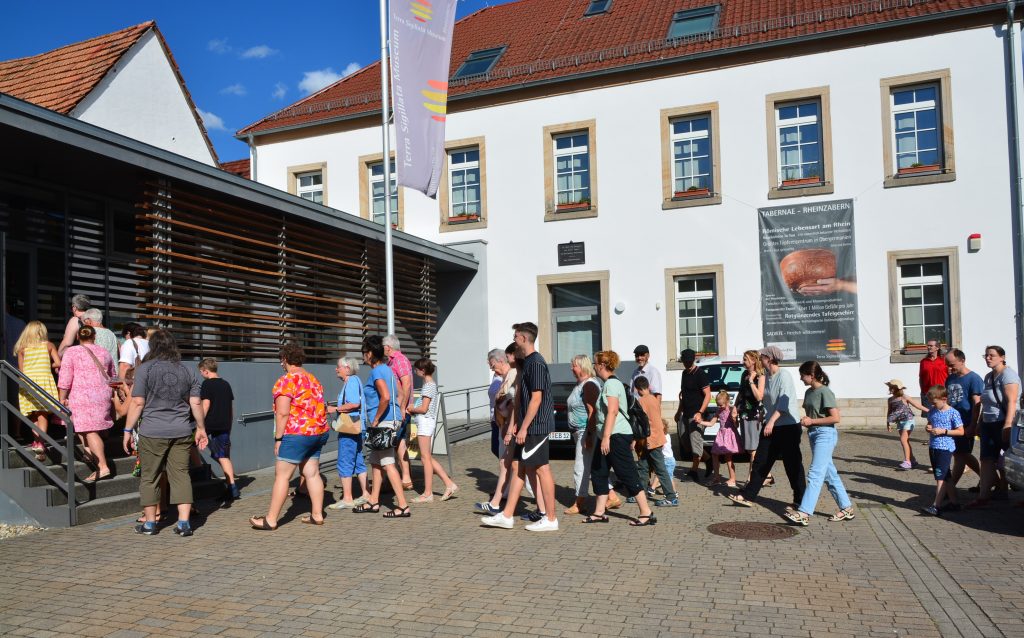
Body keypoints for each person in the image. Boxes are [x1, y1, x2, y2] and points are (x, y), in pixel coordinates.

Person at [123, 329, 208, 536]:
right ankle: (184, 523)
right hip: (181, 431)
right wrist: (201, 428)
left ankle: (150, 524)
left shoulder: (145, 370)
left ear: (153, 346)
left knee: (150, 477)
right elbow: (195, 402)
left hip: (152, 431)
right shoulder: (187, 371)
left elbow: (137, 402)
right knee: (180, 475)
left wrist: (127, 430)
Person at [481, 322, 559, 531]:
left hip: (537, 426)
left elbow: (536, 399)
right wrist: (515, 425)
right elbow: (520, 401)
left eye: (516, 336)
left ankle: (550, 518)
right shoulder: (526, 363)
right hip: (525, 426)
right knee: (518, 465)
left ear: (523, 338)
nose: (513, 340)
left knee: (542, 469)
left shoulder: (536, 363)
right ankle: (506, 516)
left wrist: (523, 427)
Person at [249, 344, 329, 530]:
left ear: (285, 359)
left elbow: (283, 413)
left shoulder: (286, 381)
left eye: (281, 361)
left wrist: (278, 439)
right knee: (312, 473)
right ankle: (317, 514)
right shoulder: (313, 379)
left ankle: (270, 519)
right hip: (318, 432)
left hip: (297, 434)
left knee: (282, 476)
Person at [577, 350, 656, 526]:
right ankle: (599, 512)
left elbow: (612, 411)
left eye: (595, 364)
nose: (594, 367)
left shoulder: (612, 384)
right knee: (599, 472)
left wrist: (606, 438)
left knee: (626, 472)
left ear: (603, 365)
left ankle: (646, 512)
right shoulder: (607, 384)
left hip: (616, 435)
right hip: (606, 435)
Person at [728, 346, 805, 509]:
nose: (760, 359)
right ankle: (748, 496)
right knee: (760, 461)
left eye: (762, 357)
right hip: (771, 424)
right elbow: (767, 400)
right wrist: (765, 415)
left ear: (769, 359)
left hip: (788, 427)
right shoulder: (768, 376)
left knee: (792, 465)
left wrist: (770, 422)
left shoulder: (784, 376)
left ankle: (800, 501)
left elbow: (783, 404)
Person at [785, 361, 854, 525]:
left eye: (803, 375)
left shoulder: (825, 392)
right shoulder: (809, 392)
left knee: (815, 474)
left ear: (812, 375)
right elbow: (811, 414)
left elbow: (835, 418)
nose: (801, 378)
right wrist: (807, 421)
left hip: (825, 434)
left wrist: (812, 421)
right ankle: (847, 508)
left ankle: (804, 512)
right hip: (814, 434)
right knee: (830, 474)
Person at [354, 335, 410, 518]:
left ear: (370, 353)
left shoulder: (377, 371)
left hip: (383, 422)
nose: (363, 356)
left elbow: (385, 396)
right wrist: (398, 412)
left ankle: (402, 506)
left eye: (364, 352)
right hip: (390, 419)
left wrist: (377, 419)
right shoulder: (388, 370)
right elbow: (400, 393)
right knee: (376, 462)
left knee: (387, 463)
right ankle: (373, 501)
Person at [57, 326, 115, 483]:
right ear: (94, 336)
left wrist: (62, 398)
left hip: (81, 394)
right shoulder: (104, 352)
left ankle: (103, 466)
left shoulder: (72, 352)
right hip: (102, 394)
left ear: (77, 336)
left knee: (90, 430)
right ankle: (89, 453)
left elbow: (65, 377)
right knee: (83, 425)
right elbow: (113, 375)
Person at [969, 345, 1020, 508]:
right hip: (988, 423)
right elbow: (987, 402)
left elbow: (1012, 402)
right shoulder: (989, 376)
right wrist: (979, 422)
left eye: (992, 355)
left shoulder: (1008, 375)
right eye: (986, 355)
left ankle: (1006, 491)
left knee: (1010, 459)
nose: (988, 358)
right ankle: (983, 496)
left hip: (1003, 422)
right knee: (986, 459)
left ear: (1002, 357)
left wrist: (1007, 425)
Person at [408, 358, 458, 502]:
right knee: (427, 457)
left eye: (416, 370)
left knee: (425, 458)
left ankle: (428, 492)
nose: (415, 372)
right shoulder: (429, 385)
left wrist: (412, 409)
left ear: (422, 371)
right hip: (425, 422)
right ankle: (448, 484)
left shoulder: (428, 386)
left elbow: (424, 408)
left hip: (425, 422)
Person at [13, 321, 61, 460]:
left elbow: (21, 371)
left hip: (28, 382)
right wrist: (47, 365)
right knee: (43, 413)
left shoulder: (22, 348)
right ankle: (41, 442)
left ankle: (36, 441)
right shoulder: (49, 345)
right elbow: (58, 363)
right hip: (43, 382)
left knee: (34, 414)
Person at [326, 356, 369, 510]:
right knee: (358, 460)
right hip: (358, 426)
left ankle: (348, 498)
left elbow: (354, 404)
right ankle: (365, 493)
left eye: (338, 367)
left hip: (349, 427)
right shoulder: (355, 380)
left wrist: (335, 409)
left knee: (345, 461)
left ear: (347, 368)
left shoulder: (351, 381)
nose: (336, 369)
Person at [565, 354, 601, 515]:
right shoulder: (580, 384)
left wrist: (588, 436)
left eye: (574, 365)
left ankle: (580, 502)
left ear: (582, 366)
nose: (571, 368)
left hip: (585, 432)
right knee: (590, 466)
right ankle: (612, 496)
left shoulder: (589, 385)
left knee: (580, 468)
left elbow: (593, 411)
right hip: (580, 432)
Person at [198, 358, 238, 500]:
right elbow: (230, 408)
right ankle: (231, 486)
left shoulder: (207, 384)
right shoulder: (226, 384)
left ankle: (231, 487)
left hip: (210, 424)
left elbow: (206, 405)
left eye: (201, 372)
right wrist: (230, 426)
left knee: (189, 443)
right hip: (224, 424)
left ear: (205, 371)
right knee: (222, 455)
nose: (201, 375)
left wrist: (199, 425)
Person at [634, 375, 678, 507]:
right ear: (648, 386)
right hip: (656, 437)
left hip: (651, 439)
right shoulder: (654, 399)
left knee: (660, 469)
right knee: (642, 466)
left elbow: (642, 422)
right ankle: (640, 493)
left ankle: (671, 497)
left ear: (637, 389)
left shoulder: (642, 401)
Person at [920, 385, 964, 516]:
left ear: (944, 399)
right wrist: (928, 428)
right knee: (946, 476)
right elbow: (929, 423)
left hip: (945, 448)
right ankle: (954, 503)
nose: (932, 405)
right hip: (933, 446)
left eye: (934, 402)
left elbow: (961, 431)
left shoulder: (953, 413)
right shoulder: (932, 411)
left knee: (941, 477)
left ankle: (936, 506)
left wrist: (944, 431)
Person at [944, 348, 983, 489]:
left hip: (965, 422)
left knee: (962, 454)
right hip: (951, 423)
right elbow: (947, 400)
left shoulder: (974, 378)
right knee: (960, 455)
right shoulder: (950, 378)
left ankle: (949, 488)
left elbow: (976, 404)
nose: (949, 367)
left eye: (952, 364)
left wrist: (973, 425)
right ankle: (987, 480)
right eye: (947, 364)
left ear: (962, 360)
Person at [673, 348, 711, 481]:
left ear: (693, 360)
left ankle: (694, 472)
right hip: (685, 413)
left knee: (696, 444)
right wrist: (678, 411)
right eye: (685, 361)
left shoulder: (700, 374)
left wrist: (700, 413)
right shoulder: (684, 373)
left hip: (697, 415)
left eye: (689, 361)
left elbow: (708, 395)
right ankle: (709, 459)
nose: (687, 363)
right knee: (686, 443)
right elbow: (683, 395)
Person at [383, 334, 415, 490]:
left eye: (383, 346)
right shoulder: (392, 361)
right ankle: (405, 478)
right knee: (399, 442)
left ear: (388, 347)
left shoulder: (400, 360)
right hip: (396, 408)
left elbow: (406, 384)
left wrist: (402, 407)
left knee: (395, 443)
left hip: (400, 409)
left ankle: (400, 478)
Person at [736, 350, 768, 486]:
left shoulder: (761, 376)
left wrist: (751, 381)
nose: (743, 361)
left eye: (745, 359)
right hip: (744, 413)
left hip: (755, 414)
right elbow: (741, 393)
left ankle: (751, 478)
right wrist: (734, 407)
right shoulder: (744, 374)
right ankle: (767, 475)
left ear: (753, 360)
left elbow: (759, 396)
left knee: (754, 448)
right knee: (749, 448)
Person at [698, 391, 740, 487]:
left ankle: (732, 479)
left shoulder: (732, 410)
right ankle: (716, 478)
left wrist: (734, 419)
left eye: (721, 405)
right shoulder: (719, 411)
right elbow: (711, 423)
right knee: (714, 454)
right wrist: (701, 422)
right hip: (721, 435)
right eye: (718, 405)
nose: (719, 407)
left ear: (727, 401)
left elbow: (736, 425)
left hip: (729, 435)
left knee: (728, 457)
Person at [885, 379, 927, 469]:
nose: (891, 389)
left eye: (893, 388)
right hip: (900, 422)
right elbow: (889, 411)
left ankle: (907, 462)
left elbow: (917, 405)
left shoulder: (905, 397)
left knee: (903, 440)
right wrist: (888, 423)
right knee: (906, 441)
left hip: (909, 420)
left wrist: (929, 410)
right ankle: (913, 461)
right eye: (890, 387)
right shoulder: (890, 400)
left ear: (898, 389)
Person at [919, 339, 947, 409]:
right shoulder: (923, 362)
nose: (928, 347)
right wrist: (923, 391)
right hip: (928, 394)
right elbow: (921, 377)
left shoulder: (944, 360)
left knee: (943, 415)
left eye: (931, 346)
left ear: (937, 347)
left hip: (942, 393)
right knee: (930, 417)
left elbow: (950, 375)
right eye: (928, 346)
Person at [486, 352, 504, 459]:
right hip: (495, 418)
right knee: (496, 448)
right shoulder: (495, 376)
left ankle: (511, 473)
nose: (491, 366)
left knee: (498, 448)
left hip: (501, 418)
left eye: (492, 363)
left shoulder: (505, 377)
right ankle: (509, 472)